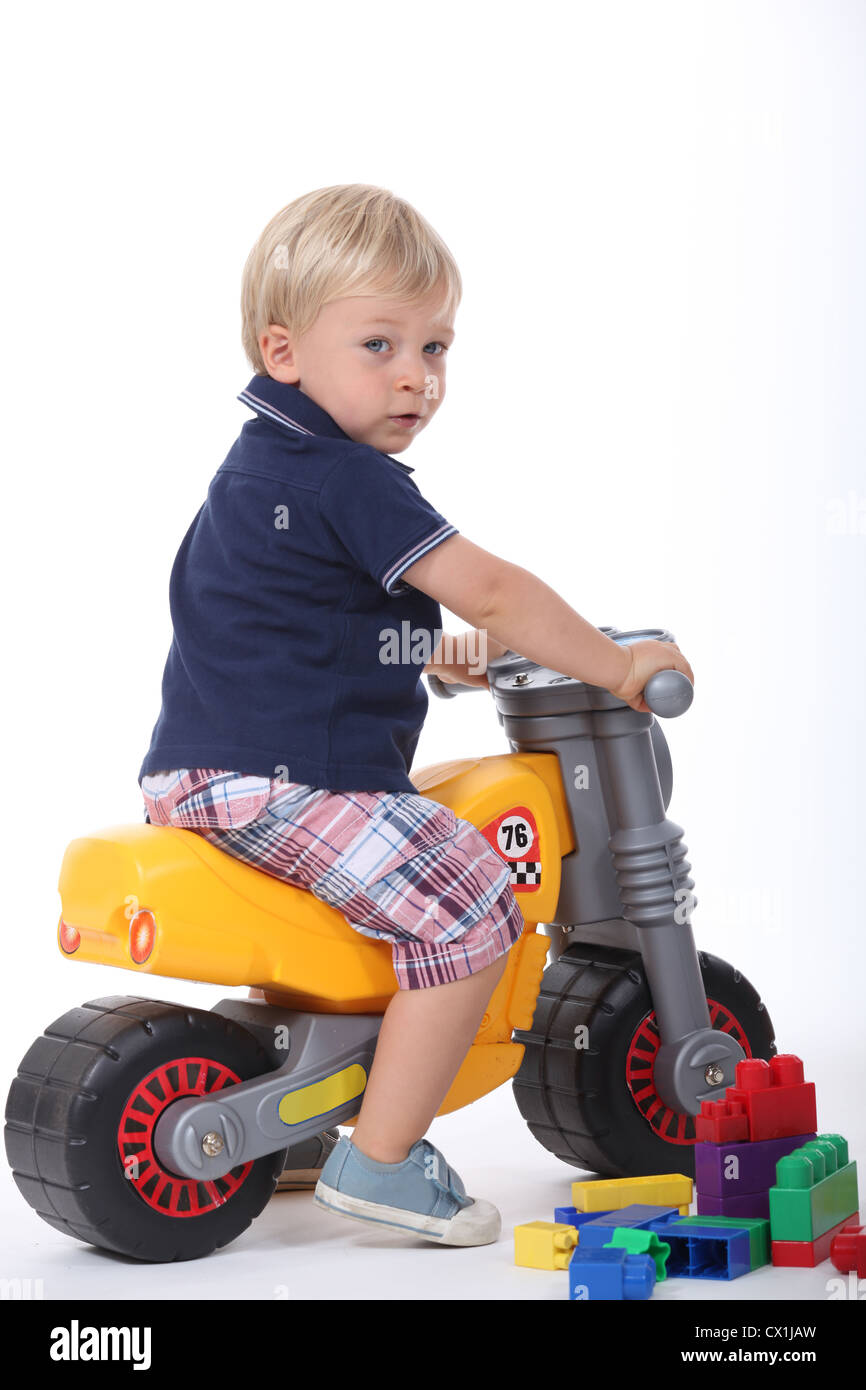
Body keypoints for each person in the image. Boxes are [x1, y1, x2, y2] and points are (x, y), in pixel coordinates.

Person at [139, 184, 694, 1246]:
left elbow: (287, 623)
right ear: (284, 350)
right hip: (286, 776)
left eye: (435, 347)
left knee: (401, 898)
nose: (415, 376)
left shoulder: (260, 470)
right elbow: (492, 587)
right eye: (380, 344)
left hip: (210, 765)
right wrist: (613, 667)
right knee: (476, 902)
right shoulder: (350, 479)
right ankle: (381, 1160)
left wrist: (437, 656)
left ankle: (312, 1115)